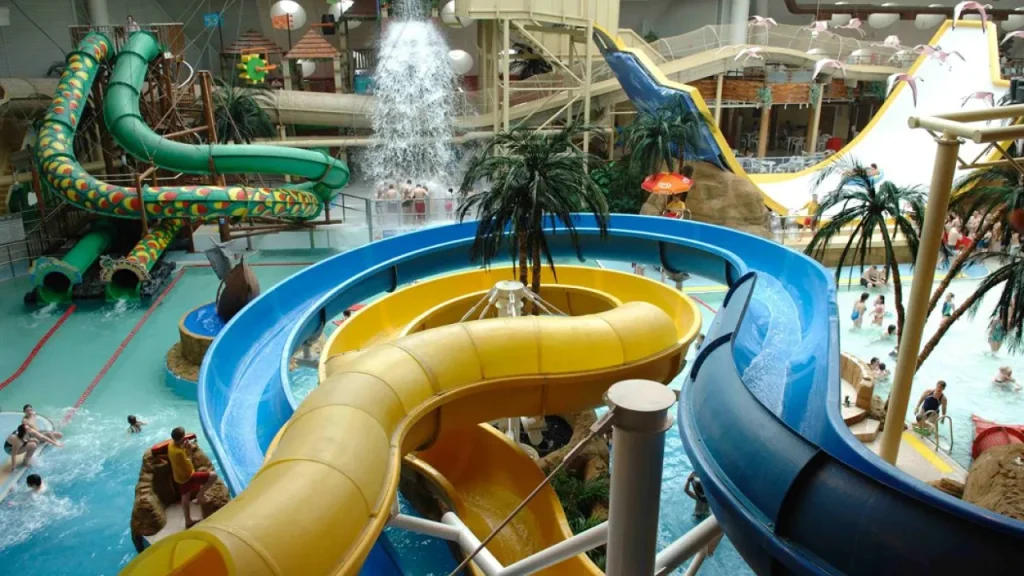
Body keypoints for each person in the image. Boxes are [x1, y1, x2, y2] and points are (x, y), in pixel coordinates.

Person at [167, 427, 219, 528]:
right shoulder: (179, 453)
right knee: (213, 476)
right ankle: (200, 496)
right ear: (182, 438)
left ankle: (188, 519)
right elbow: (189, 463)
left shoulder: (171, 445)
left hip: (178, 476)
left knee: (185, 495)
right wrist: (189, 450)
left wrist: (183, 446)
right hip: (187, 477)